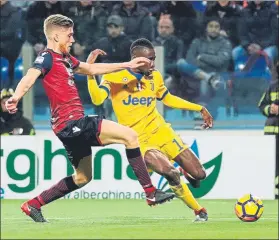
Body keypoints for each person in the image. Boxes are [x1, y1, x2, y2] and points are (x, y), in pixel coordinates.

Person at [5, 14, 174, 223]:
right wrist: (16, 96)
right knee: (130, 136)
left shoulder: (66, 59)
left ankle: (33, 204)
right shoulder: (46, 57)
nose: (73, 39)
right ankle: (150, 191)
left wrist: (127, 64)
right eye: (69, 35)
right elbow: (29, 77)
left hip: (68, 127)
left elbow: (91, 69)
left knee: (83, 177)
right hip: (72, 123)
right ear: (56, 36)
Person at [87, 38, 214, 222]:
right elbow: (98, 99)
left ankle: (187, 172)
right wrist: (91, 75)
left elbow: (168, 99)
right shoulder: (114, 76)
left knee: (199, 175)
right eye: (148, 60)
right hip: (139, 140)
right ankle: (198, 210)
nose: (152, 63)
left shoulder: (154, 76)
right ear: (136, 59)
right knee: (170, 172)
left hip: (162, 131)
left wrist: (199, 108)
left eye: (153, 58)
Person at [258, 60, 279, 199]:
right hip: (271, 134)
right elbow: (261, 105)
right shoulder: (273, 86)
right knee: (272, 166)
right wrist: (269, 109)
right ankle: (274, 193)